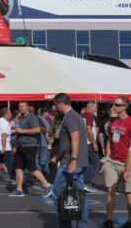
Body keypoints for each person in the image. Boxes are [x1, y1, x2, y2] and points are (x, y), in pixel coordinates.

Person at [51, 93, 89, 228]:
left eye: (56, 105)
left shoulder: (70, 117)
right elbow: (69, 141)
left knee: (57, 192)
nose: (55, 109)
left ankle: (65, 224)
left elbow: (75, 138)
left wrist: (73, 160)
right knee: (79, 195)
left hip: (71, 163)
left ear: (60, 103)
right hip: (74, 160)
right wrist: (60, 155)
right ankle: (82, 225)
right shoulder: (74, 116)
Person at [9, 101, 53, 198]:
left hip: (30, 146)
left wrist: (22, 131)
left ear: (27, 107)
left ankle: (48, 186)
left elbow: (37, 129)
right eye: (20, 106)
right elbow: (17, 130)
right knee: (18, 168)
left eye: (23, 106)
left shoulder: (31, 117)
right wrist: (16, 145)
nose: (21, 108)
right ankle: (19, 190)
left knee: (32, 168)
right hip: (21, 146)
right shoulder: (20, 118)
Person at [102, 96, 131, 228]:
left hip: (126, 163)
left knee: (129, 194)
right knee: (110, 190)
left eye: (117, 105)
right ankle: (109, 220)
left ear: (125, 107)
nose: (114, 106)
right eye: (113, 104)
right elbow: (109, 139)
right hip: (112, 161)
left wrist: (128, 167)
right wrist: (107, 157)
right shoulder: (112, 122)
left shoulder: (130, 122)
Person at [81, 102, 100, 193]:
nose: (96, 110)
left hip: (83, 143)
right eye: (95, 108)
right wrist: (94, 143)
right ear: (90, 107)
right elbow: (89, 129)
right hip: (89, 143)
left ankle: (84, 182)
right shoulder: (89, 115)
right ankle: (87, 183)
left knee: (87, 164)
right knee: (96, 163)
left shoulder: (82, 115)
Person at [37, 107, 52, 176]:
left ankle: (40, 173)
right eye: (47, 113)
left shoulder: (36, 119)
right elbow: (47, 133)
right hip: (43, 143)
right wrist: (50, 142)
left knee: (38, 159)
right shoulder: (45, 121)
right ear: (45, 113)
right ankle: (44, 174)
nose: (48, 114)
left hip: (37, 142)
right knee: (44, 160)